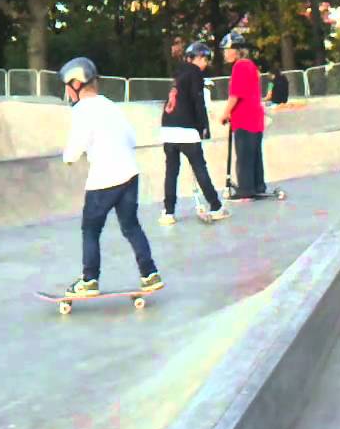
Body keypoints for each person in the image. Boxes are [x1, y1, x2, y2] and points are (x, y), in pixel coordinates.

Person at [60, 56, 163, 297]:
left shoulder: (83, 110)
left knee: (91, 229)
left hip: (104, 179)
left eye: (66, 86)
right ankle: (150, 274)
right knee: (130, 226)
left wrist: (68, 157)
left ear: (76, 84)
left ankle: (89, 279)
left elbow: (76, 147)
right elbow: (131, 138)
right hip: (129, 173)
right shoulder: (110, 105)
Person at [159, 42, 229, 225]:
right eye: (203, 58)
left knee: (171, 171)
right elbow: (198, 101)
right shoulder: (195, 73)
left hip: (167, 127)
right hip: (185, 128)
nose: (205, 63)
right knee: (199, 167)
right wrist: (203, 127)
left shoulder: (178, 74)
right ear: (194, 58)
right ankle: (215, 206)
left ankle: (168, 212)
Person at [218, 31, 267, 198]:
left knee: (244, 155)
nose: (224, 53)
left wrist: (225, 113)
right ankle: (258, 185)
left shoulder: (239, 66)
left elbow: (235, 94)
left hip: (245, 118)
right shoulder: (251, 65)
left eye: (226, 49)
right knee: (254, 154)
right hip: (255, 117)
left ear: (236, 50)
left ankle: (246, 189)